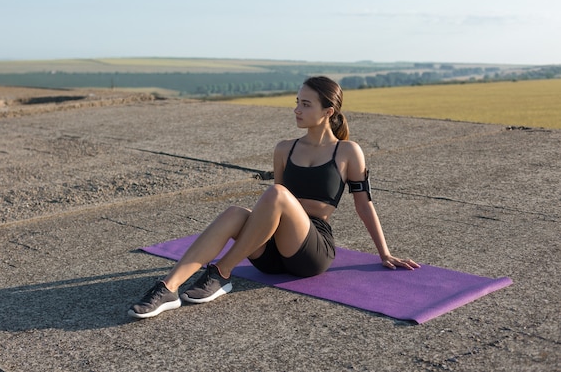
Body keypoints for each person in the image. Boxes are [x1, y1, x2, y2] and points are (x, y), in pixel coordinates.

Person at [128, 76, 420, 319]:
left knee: (278, 194)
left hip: (310, 251)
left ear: (328, 112)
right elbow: (272, 207)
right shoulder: (284, 149)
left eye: (306, 104)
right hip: (272, 256)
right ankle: (168, 288)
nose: (297, 109)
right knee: (235, 212)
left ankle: (221, 272)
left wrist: (384, 253)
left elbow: (363, 204)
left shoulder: (347, 152)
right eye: (296, 102)